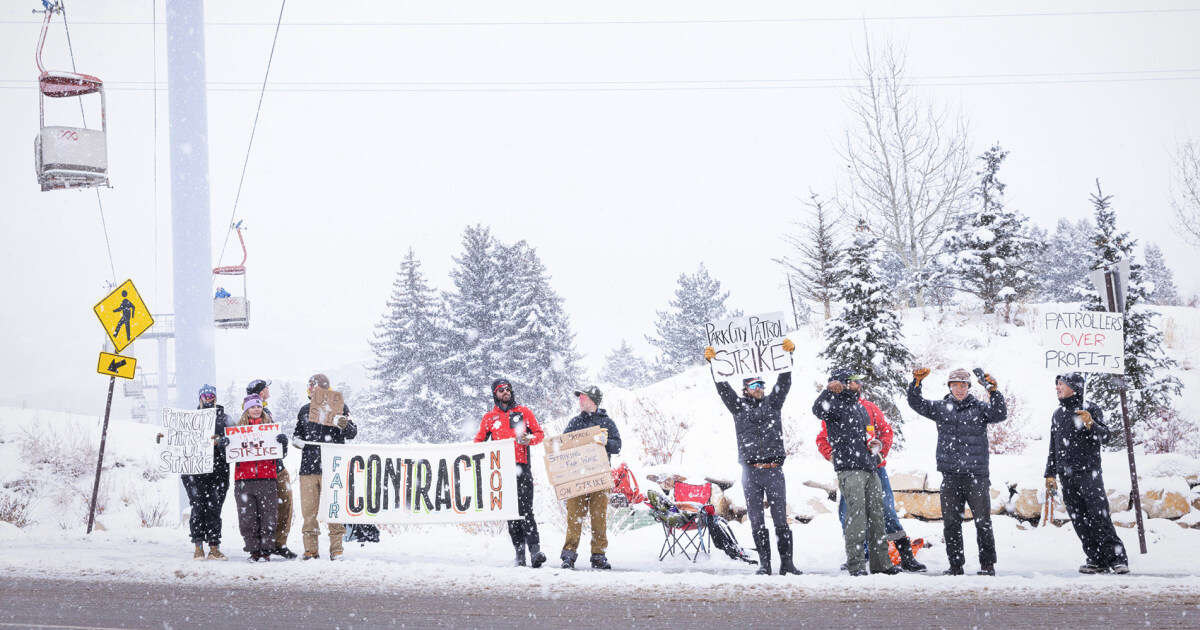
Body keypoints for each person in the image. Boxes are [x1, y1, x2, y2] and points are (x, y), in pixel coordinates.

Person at [703, 339, 801, 576]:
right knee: (756, 520)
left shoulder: (773, 404)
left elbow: (784, 382)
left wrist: (788, 358)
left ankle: (786, 563)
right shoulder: (738, 407)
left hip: (774, 469)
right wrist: (713, 363)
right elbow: (723, 388)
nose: (759, 387)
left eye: (761, 384)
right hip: (750, 472)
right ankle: (764, 564)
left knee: (780, 519)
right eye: (754, 384)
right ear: (746, 389)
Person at [816, 376, 926, 572]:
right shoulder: (833, 409)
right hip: (850, 470)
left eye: (859, 382)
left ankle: (905, 555)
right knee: (847, 514)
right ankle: (860, 555)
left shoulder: (868, 407)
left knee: (886, 511)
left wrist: (879, 454)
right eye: (852, 382)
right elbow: (822, 439)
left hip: (875, 468)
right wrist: (833, 457)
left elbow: (886, 432)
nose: (857, 385)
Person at [907, 367, 1007, 576]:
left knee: (983, 522)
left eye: (963, 385)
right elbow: (916, 403)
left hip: (976, 475)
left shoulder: (980, 408)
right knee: (951, 523)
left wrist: (993, 392)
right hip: (950, 475)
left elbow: (1000, 413)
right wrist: (915, 384)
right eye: (955, 385)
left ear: (969, 387)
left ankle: (987, 565)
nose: (959, 389)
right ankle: (955, 565)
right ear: (949, 386)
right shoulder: (941, 408)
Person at [1044, 373, 1129, 574]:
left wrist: (1091, 423)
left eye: (1061, 384)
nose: (1057, 387)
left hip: (1088, 472)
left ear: (1073, 387)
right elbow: (1053, 446)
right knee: (1079, 518)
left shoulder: (1089, 408)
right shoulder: (1057, 414)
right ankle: (1095, 559)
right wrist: (1050, 474)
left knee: (1098, 515)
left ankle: (1117, 559)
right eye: (1056, 384)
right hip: (1067, 475)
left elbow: (1105, 436)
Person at [473, 379, 547, 568]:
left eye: (508, 389)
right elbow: (478, 442)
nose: (505, 392)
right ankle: (519, 553)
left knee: (526, 510)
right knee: (511, 512)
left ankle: (535, 551)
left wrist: (528, 439)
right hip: (501, 471)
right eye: (501, 390)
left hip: (522, 467)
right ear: (495, 394)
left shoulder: (523, 412)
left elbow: (539, 434)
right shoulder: (490, 418)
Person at [161, 384, 231, 560]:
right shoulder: (188, 419)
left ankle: (214, 547)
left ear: (216, 397)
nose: (209, 398)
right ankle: (198, 547)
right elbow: (175, 439)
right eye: (205, 395)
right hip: (194, 470)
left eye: (211, 395)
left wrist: (223, 442)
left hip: (219, 470)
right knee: (198, 507)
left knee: (214, 508)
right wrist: (163, 437)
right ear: (199, 397)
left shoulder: (225, 419)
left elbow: (236, 440)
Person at [292, 373, 357, 561]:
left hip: (332, 467)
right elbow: (297, 434)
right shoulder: (304, 410)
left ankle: (336, 549)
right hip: (308, 468)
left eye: (316, 387)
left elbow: (352, 433)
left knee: (334, 509)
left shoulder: (340, 406)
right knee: (309, 512)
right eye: (310, 387)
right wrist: (296, 441)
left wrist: (345, 425)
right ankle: (310, 550)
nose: (312, 390)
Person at [559, 385, 622, 570]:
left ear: (593, 401)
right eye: (579, 397)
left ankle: (598, 556)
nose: (579, 400)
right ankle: (568, 555)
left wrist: (606, 443)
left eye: (583, 397)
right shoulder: (574, 422)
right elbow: (562, 446)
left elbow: (617, 446)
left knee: (598, 517)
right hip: (576, 478)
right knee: (574, 517)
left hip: (600, 478)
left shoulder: (607, 422)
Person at [234, 395, 289, 561]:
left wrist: (283, 443)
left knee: (268, 516)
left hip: (267, 477)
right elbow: (229, 456)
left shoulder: (270, 428)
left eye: (258, 407)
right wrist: (225, 445)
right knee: (247, 518)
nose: (256, 410)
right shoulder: (238, 430)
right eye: (252, 407)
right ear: (247, 410)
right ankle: (253, 550)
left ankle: (266, 550)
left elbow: (282, 454)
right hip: (244, 479)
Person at [246, 378, 296, 560]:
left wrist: (282, 444)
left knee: (285, 504)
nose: (269, 390)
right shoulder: (248, 417)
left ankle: (279, 543)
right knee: (266, 509)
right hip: (262, 471)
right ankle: (263, 546)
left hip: (277, 466)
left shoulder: (267, 413)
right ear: (260, 392)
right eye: (266, 388)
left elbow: (274, 444)